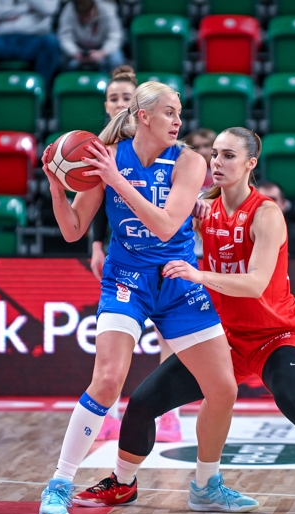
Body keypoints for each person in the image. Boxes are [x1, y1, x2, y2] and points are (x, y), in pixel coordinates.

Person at [73, 127, 295, 514]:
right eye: (215, 155)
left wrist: (199, 275)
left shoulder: (266, 213)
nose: (217, 163)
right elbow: (156, 220)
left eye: (228, 156)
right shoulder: (202, 208)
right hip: (226, 339)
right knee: (141, 403)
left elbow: (256, 284)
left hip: (278, 334)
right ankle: (123, 482)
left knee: (292, 398)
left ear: (251, 163)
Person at [38, 82, 257, 514]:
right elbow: (73, 230)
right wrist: (57, 187)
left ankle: (206, 485)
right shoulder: (107, 156)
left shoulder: (189, 161)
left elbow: (165, 225)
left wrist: (115, 180)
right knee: (107, 380)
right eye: (169, 112)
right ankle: (59, 482)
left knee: (224, 388)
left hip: (177, 280)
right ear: (144, 116)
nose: (178, 121)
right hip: (126, 279)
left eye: (179, 113)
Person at [88, 66, 182, 444]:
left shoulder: (166, 148)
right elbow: (98, 203)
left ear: (140, 109)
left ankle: (171, 414)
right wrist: (96, 244)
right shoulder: (105, 150)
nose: (119, 104)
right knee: (112, 345)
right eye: (113, 98)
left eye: (126, 98)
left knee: (168, 333)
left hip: (166, 249)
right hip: (125, 251)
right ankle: (107, 414)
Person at [58, 0, 123, 74]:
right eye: (82, 16)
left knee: (116, 59)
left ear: (94, 7)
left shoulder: (107, 10)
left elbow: (115, 37)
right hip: (79, 49)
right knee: (61, 59)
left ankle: (111, 80)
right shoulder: (68, 10)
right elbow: (64, 37)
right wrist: (75, 53)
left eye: (87, 15)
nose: (85, 19)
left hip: (102, 48)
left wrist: (102, 52)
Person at [255, 180, 295, 258]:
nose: (267, 205)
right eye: (262, 200)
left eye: (273, 200)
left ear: (284, 204)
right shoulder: (241, 232)